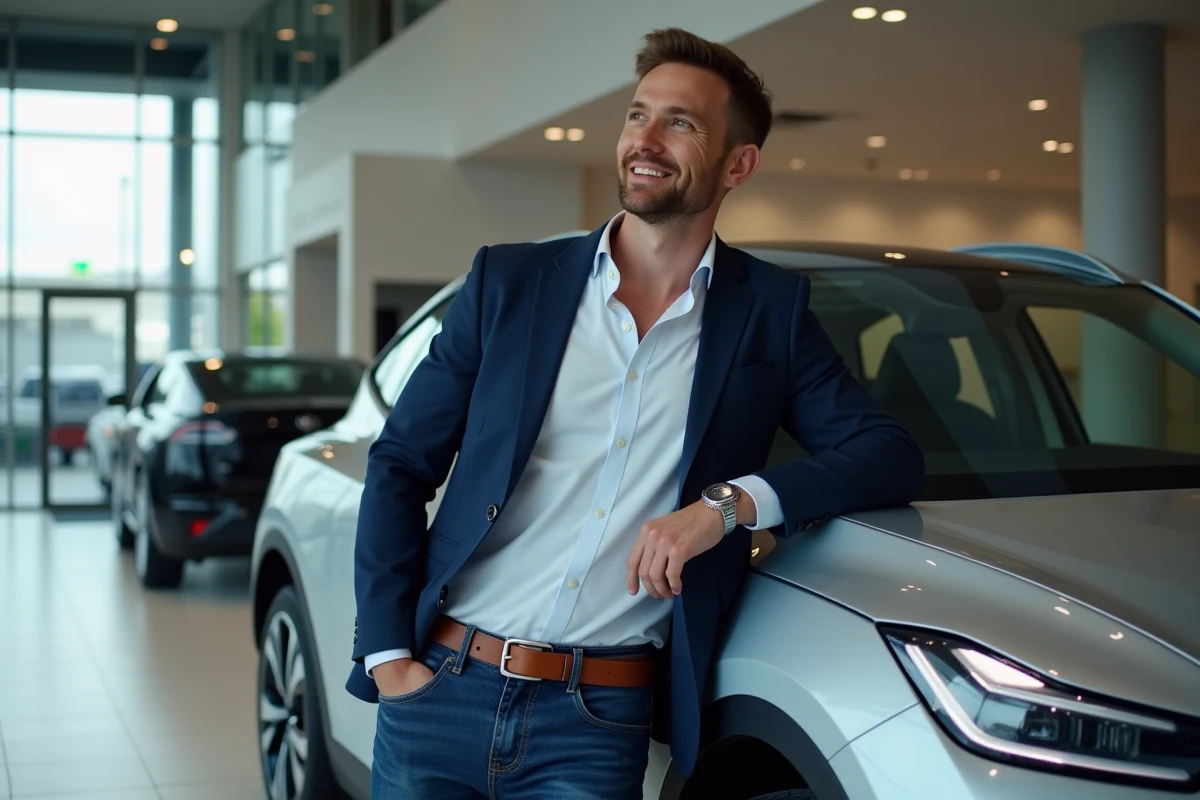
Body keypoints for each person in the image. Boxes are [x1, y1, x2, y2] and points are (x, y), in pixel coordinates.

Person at [348, 26, 924, 799]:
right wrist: (390, 659)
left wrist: (726, 507)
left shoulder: (768, 314)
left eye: (680, 123)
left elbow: (886, 451)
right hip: (441, 687)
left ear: (738, 164)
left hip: (594, 721)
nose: (645, 139)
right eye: (636, 114)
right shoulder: (509, 283)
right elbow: (400, 463)